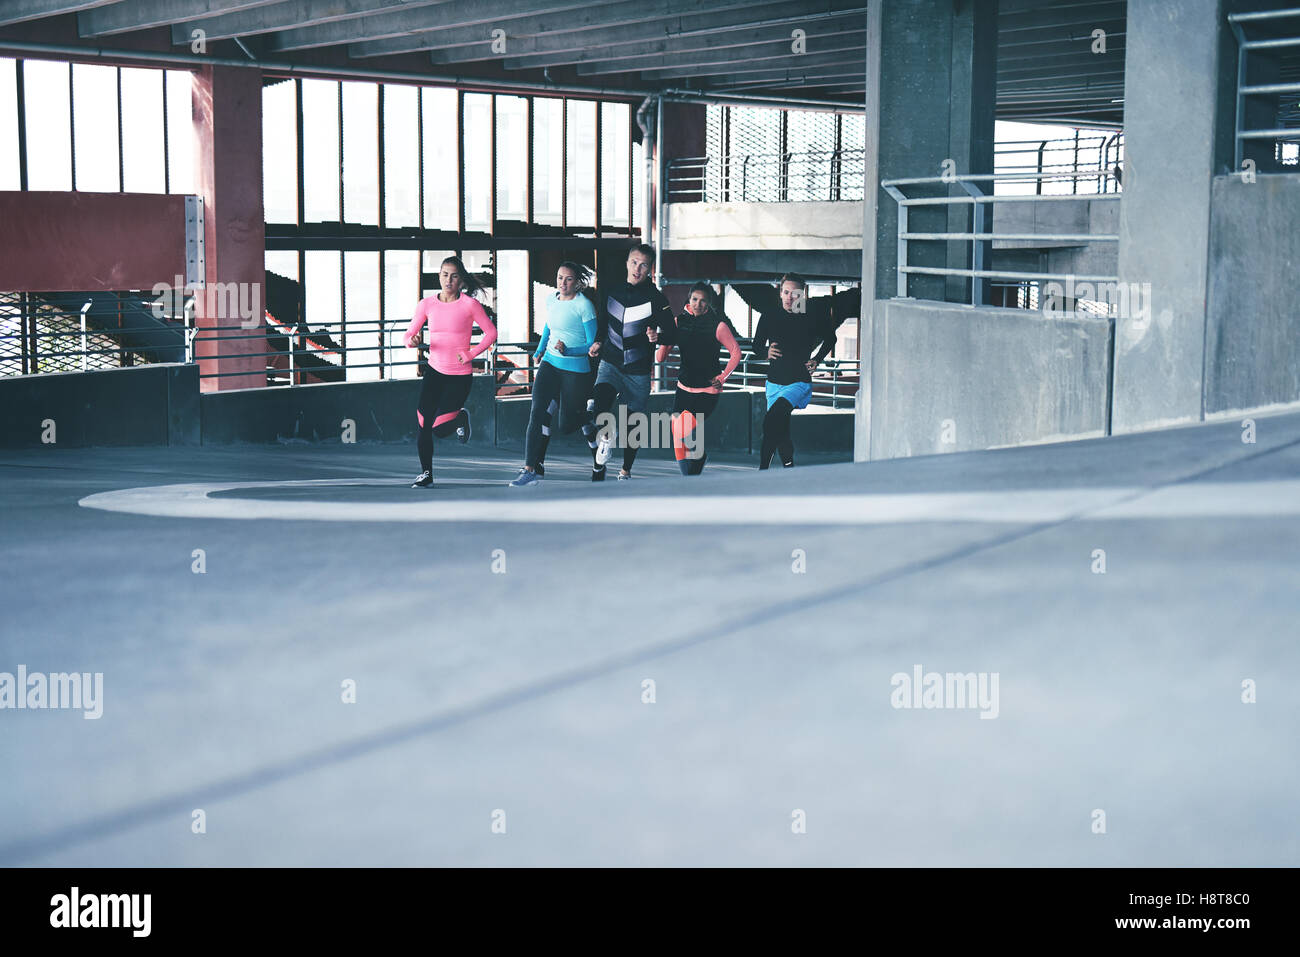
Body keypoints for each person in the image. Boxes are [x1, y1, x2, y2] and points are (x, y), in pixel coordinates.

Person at [732, 275, 859, 469]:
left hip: (798, 382)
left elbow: (830, 339)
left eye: (795, 293)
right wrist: (766, 352)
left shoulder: (811, 314)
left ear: (803, 294)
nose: (790, 297)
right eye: (786, 292)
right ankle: (788, 467)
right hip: (773, 383)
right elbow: (756, 346)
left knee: (772, 420)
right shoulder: (769, 315)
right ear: (780, 293)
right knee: (780, 428)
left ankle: (763, 469)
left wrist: (817, 359)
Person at [403, 255, 497, 488]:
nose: (449, 280)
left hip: (459, 376)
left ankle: (461, 417)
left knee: (440, 429)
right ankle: (426, 473)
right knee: (423, 424)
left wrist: (470, 354)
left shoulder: (469, 305)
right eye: (445, 274)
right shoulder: (427, 304)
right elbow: (408, 335)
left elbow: (491, 333)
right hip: (434, 371)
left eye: (454, 276)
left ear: (461, 280)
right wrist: (411, 341)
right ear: (439, 276)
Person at [587, 243, 675, 481]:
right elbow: (603, 324)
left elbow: (673, 333)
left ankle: (625, 470)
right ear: (627, 263)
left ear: (650, 269)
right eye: (634, 262)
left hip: (638, 370)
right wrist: (597, 342)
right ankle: (606, 437)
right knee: (599, 405)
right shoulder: (610, 290)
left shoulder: (657, 299)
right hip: (611, 362)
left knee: (632, 425)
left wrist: (659, 337)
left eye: (644, 264)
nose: (638, 268)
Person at [510, 262, 600, 487]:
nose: (562, 283)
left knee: (567, 425)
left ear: (577, 282)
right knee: (537, 413)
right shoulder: (551, 299)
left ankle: (589, 416)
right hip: (550, 363)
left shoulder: (584, 306)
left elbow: (591, 344)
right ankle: (530, 469)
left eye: (568, 279)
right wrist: (540, 350)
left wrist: (568, 350)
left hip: (575, 369)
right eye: (560, 277)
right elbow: (549, 327)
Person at [655, 282, 740, 476]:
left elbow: (736, 352)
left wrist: (723, 376)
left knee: (680, 429)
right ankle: (688, 476)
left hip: (707, 392)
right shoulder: (678, 322)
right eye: (694, 299)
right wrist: (662, 342)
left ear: (709, 303)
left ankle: (697, 462)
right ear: (689, 299)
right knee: (676, 432)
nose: (698, 304)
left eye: (703, 301)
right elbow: (660, 357)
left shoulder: (718, 326)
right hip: (683, 388)